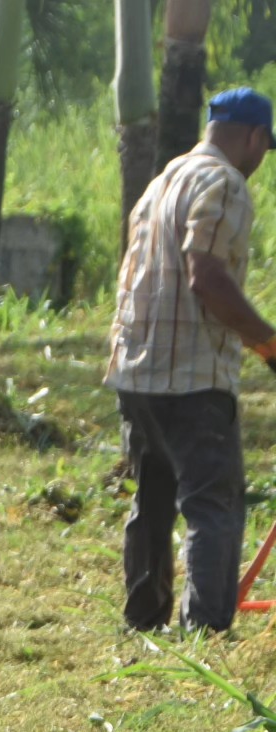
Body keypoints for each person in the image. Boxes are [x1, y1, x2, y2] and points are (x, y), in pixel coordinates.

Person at [107, 86, 275, 634]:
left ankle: (144, 622)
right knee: (214, 505)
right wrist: (268, 344)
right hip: (193, 379)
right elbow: (207, 277)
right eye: (265, 147)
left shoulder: (161, 183)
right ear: (254, 137)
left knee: (153, 501)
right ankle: (205, 631)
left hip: (137, 372)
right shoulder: (225, 182)